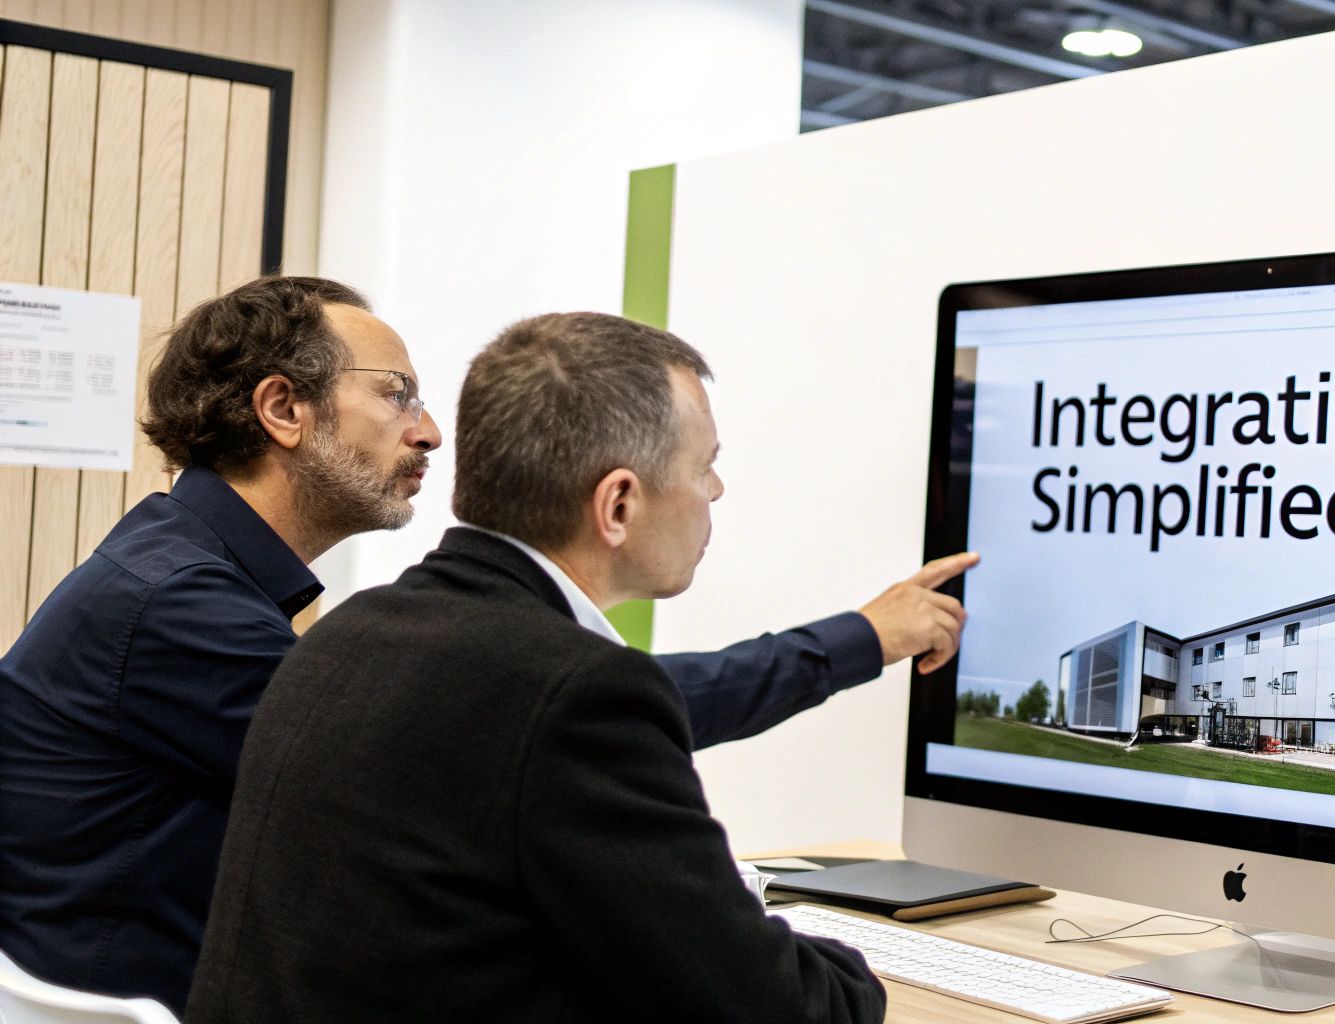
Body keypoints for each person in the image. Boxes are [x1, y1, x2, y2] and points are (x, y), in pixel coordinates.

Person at [0, 277, 971, 1014]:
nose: (428, 432)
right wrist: (851, 642)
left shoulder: (264, 604)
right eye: (395, 395)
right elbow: (526, 710)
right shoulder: (177, 607)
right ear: (282, 410)